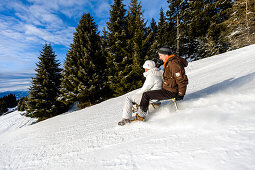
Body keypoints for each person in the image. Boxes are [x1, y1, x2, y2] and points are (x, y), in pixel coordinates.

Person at [135, 46, 188, 121]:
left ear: (166, 55)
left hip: (170, 92)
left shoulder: (173, 64)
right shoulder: (170, 62)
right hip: (168, 89)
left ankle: (141, 116)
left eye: (160, 55)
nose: (160, 58)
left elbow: (181, 80)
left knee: (146, 95)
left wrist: (180, 94)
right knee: (149, 93)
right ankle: (143, 108)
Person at [118, 60, 163, 125]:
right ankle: (135, 109)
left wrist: (135, 96)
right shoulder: (157, 73)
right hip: (155, 95)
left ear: (148, 68)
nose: (144, 69)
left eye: (145, 68)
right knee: (133, 97)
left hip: (151, 97)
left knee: (129, 98)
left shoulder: (151, 76)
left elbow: (144, 89)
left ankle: (126, 118)